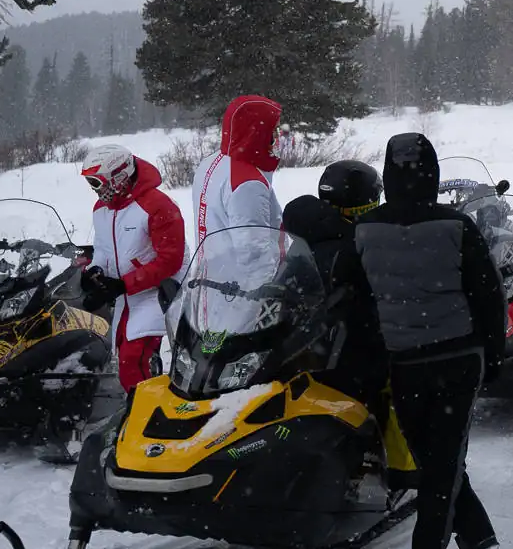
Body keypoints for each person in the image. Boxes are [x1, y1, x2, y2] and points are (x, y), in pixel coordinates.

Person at [350, 133, 506, 549]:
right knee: (443, 460)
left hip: (406, 361)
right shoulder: (457, 226)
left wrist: (372, 354)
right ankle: (466, 537)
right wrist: (493, 355)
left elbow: (356, 302)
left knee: (435, 459)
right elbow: (489, 297)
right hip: (457, 356)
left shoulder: (364, 230)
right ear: (433, 174)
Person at [281, 163, 414, 491]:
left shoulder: (306, 236)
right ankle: (403, 470)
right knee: (400, 384)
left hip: (306, 345)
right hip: (352, 346)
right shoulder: (360, 242)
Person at [79, 145, 185, 393]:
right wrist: (95, 272)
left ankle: (149, 417)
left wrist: (124, 283)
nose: (95, 190)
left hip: (156, 295)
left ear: (119, 176)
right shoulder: (102, 210)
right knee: (125, 360)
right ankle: (137, 410)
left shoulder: (158, 205)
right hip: (125, 297)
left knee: (134, 361)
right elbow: (103, 248)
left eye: (97, 182)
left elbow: (171, 259)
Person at [190, 94, 283, 247]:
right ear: (258, 132)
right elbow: (254, 255)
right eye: (273, 129)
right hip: (237, 269)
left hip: (214, 266)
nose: (277, 136)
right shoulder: (248, 183)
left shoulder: (210, 163)